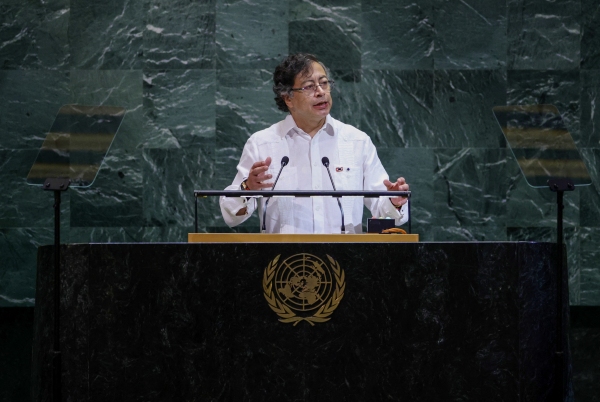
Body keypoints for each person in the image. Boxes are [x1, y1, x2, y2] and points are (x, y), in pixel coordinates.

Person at [220, 53, 409, 234]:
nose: (320, 92)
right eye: (309, 86)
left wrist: (394, 201)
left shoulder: (357, 142)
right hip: (286, 263)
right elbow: (231, 216)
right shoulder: (262, 144)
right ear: (288, 98)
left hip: (346, 261)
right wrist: (248, 188)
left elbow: (385, 211)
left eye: (324, 83)